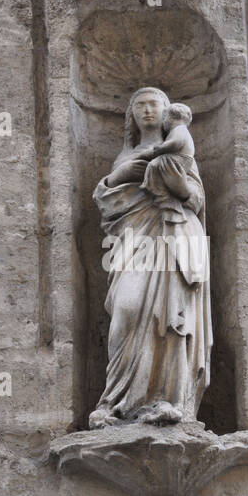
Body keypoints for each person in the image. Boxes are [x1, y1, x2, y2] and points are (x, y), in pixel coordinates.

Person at [89, 88, 211, 429]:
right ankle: (115, 403)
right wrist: (122, 175)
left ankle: (169, 402)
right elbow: (107, 202)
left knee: (171, 318)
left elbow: (197, 200)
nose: (147, 110)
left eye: (153, 104)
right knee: (126, 309)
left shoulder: (181, 149)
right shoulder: (125, 157)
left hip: (175, 235)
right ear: (131, 114)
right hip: (133, 242)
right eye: (140, 105)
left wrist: (178, 185)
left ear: (166, 110)